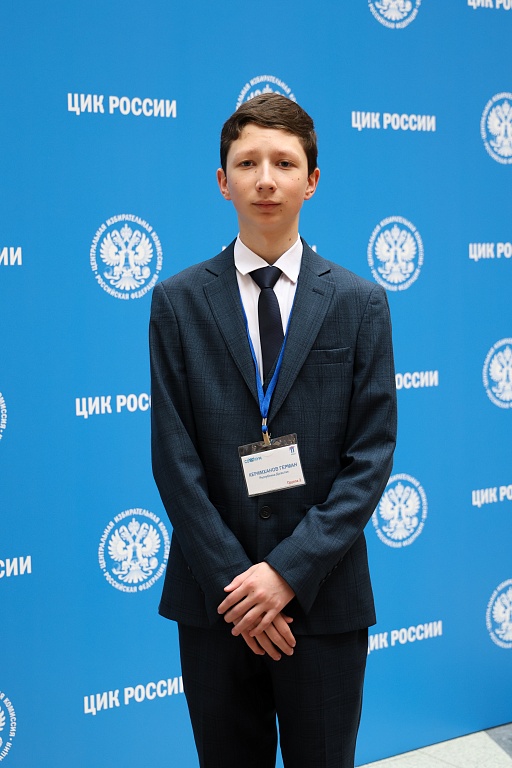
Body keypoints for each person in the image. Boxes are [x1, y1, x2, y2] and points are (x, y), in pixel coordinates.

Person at [150, 93, 397, 768]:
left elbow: (371, 456)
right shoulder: (177, 302)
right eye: (247, 162)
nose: (266, 179)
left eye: (284, 163)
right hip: (217, 602)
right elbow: (173, 457)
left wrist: (286, 574)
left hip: (324, 598)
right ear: (222, 180)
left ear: (311, 181)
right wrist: (242, 587)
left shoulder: (359, 303)